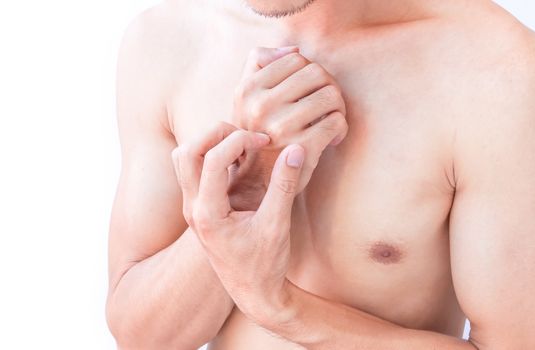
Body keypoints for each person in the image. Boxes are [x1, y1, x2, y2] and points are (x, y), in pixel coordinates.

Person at [106, 0, 535, 349]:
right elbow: (142, 337)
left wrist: (281, 309)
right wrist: (248, 195)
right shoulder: (164, 42)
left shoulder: (492, 67)